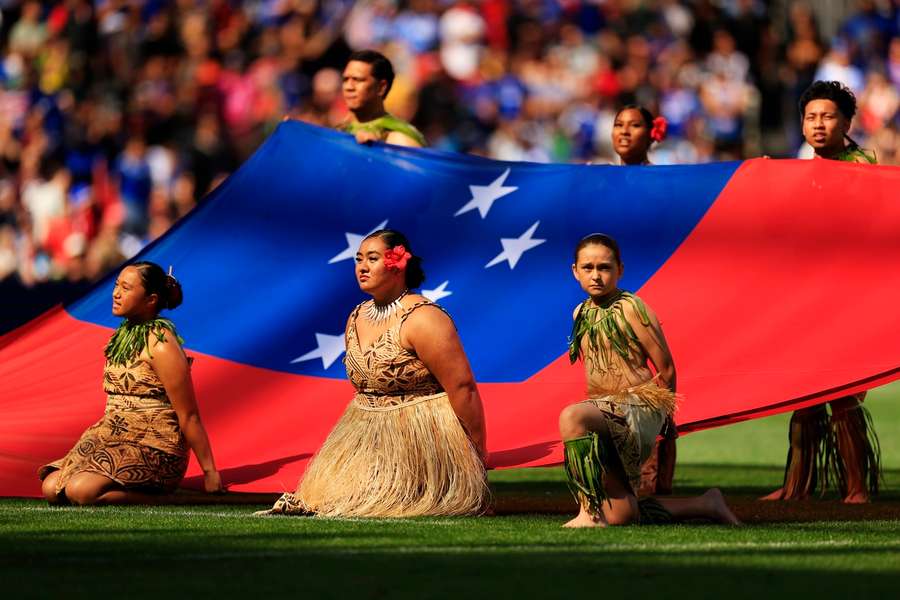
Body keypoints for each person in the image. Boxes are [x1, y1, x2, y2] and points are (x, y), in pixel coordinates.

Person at [258, 230, 488, 517]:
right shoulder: (356, 316)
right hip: (364, 436)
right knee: (330, 502)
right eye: (358, 259)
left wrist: (476, 465)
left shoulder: (424, 319)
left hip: (420, 444)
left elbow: (463, 388)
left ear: (397, 264)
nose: (362, 267)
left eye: (372, 258)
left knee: (375, 504)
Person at [558, 234, 739, 527]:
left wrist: (667, 418)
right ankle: (707, 503)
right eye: (588, 267)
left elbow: (666, 367)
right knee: (622, 515)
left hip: (636, 405)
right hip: (605, 407)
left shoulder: (632, 308)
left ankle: (587, 512)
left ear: (620, 270)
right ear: (575, 271)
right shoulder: (580, 312)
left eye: (604, 267)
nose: (596, 275)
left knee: (572, 416)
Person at [763, 80, 881, 504]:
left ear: (847, 123)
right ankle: (799, 486)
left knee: (841, 397)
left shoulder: (863, 168)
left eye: (828, 116)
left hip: (845, 303)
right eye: (811, 117)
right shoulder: (803, 173)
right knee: (804, 395)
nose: (818, 124)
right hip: (807, 302)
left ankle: (856, 488)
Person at [39, 262, 224, 504]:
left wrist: (210, 472)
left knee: (81, 491)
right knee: (51, 487)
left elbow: (189, 415)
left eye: (126, 288)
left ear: (151, 300)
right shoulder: (123, 336)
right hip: (112, 437)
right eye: (117, 286)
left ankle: (167, 498)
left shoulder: (161, 344)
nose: (115, 293)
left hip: (156, 447)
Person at [612, 105, 677, 497]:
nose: (624, 132)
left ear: (651, 132)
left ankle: (654, 481)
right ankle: (626, 477)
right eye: (618, 125)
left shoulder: (666, 182)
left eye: (633, 125)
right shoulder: (597, 179)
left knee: (653, 382)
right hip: (611, 301)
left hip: (654, 296)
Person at [338, 50, 426, 148]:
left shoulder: (399, 139)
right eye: (345, 80)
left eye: (358, 80)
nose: (348, 87)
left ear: (381, 87)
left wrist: (378, 150)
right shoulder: (340, 129)